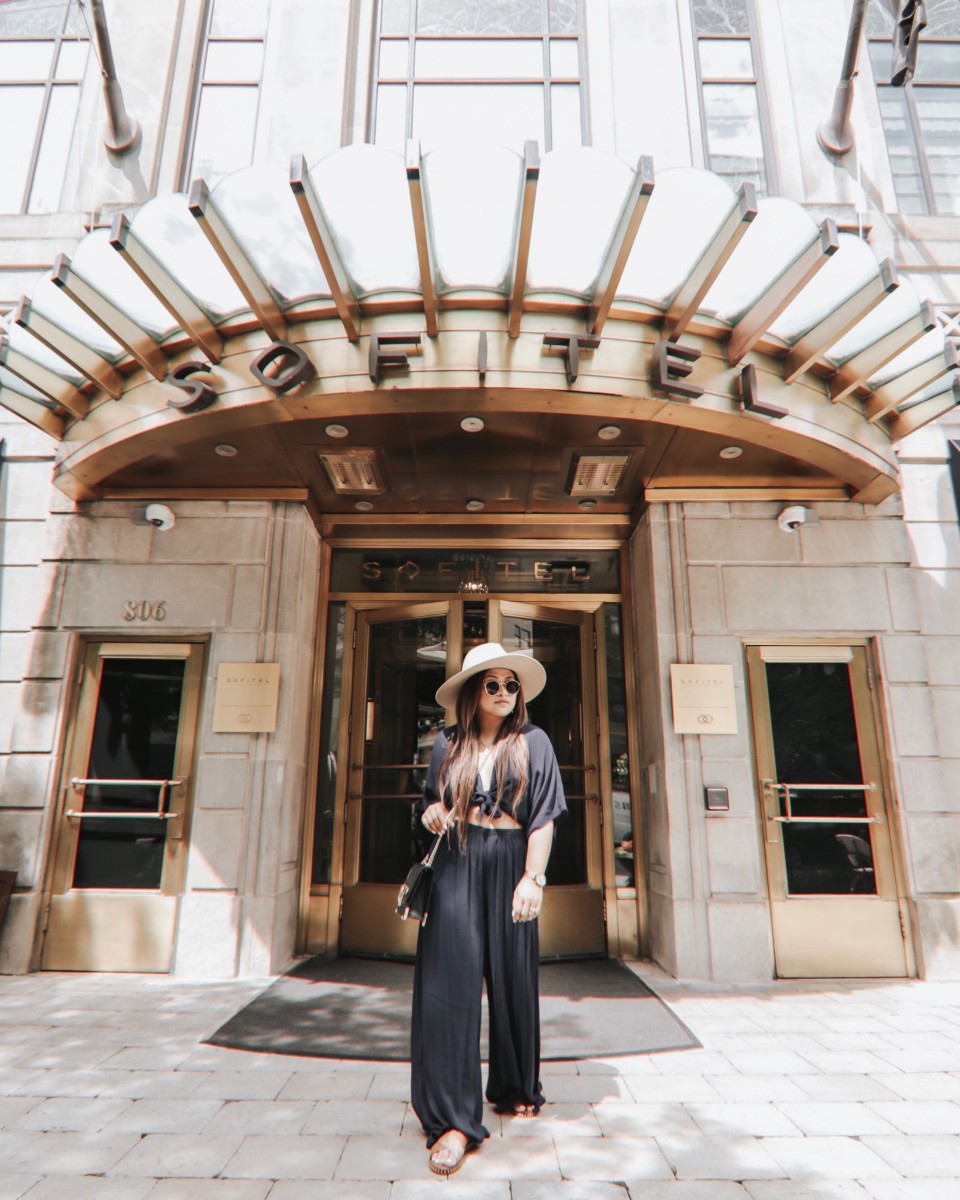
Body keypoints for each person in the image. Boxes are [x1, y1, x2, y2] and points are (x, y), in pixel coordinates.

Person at [411, 642, 567, 1177]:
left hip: (511, 861)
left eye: (511, 684)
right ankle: (454, 1121)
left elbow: (543, 817)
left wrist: (534, 877)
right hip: (458, 861)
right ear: (472, 693)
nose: (503, 693)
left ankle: (515, 1085)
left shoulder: (534, 742)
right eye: (492, 684)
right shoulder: (447, 743)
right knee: (448, 987)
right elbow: (433, 800)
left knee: (512, 976)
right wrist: (434, 809)